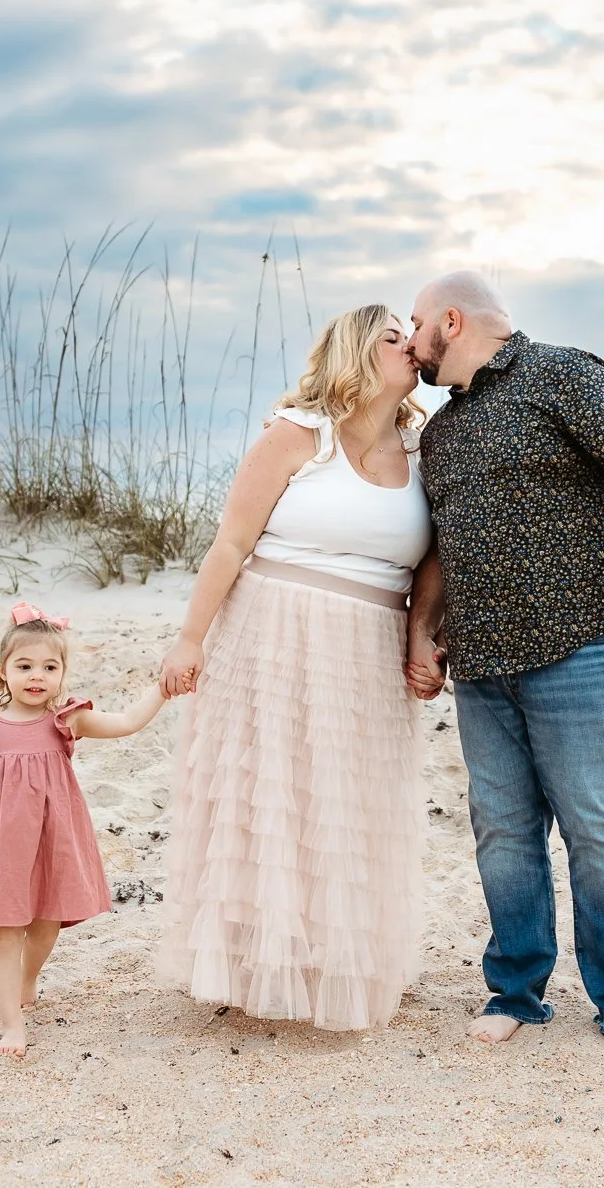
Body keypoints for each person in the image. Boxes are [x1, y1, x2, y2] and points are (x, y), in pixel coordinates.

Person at [403, 270, 604, 1056]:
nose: (411, 340)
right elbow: (440, 545)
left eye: (416, 324)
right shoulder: (440, 432)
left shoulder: (565, 373)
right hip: (482, 659)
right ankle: (517, 987)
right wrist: (420, 629)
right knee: (501, 830)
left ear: (451, 321)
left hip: (581, 645)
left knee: (595, 827)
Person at [157, 304, 432, 1032]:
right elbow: (230, 544)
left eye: (413, 336)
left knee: (350, 802)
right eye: (393, 338)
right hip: (270, 632)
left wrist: (423, 636)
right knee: (269, 794)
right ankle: (250, 964)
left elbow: (435, 559)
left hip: (369, 644)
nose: (412, 346)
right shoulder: (298, 435)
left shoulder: (424, 447)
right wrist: (190, 638)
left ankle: (334, 959)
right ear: (356, 352)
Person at [0, 603, 167, 1058]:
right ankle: (12, 1025)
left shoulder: (67, 721)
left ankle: (28, 977)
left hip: (52, 836)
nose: (36, 676)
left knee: (45, 923)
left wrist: (162, 689)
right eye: (24, 666)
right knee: (4, 927)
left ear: (62, 674)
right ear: (3, 671)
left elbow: (126, 723)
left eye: (49, 666)